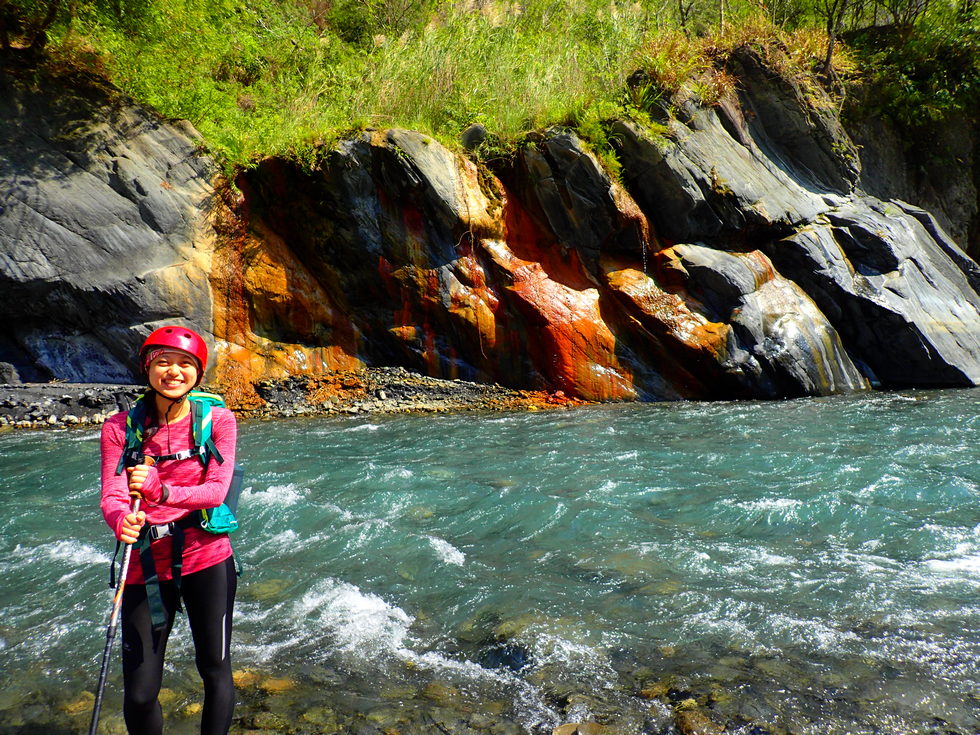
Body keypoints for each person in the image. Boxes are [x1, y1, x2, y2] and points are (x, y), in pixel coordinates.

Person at [100, 325, 238, 735]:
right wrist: (119, 519)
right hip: (144, 563)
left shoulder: (220, 421)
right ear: (148, 368)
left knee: (214, 668)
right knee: (140, 694)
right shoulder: (118, 427)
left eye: (184, 364)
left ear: (198, 372)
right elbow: (112, 493)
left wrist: (162, 490)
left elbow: (216, 491)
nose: (173, 371)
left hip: (206, 557)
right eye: (163, 362)